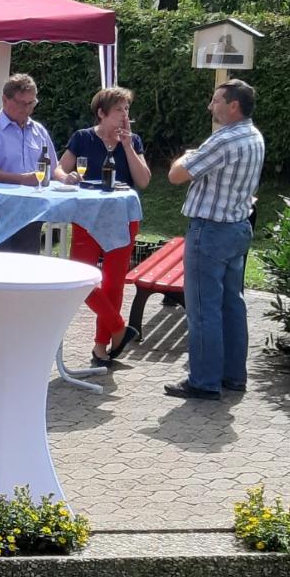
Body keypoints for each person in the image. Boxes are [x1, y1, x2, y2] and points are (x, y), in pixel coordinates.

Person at [165, 79, 267, 401]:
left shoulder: (223, 139)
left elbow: (176, 175)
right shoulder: (254, 135)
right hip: (237, 228)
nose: (211, 106)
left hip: (210, 231)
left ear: (233, 105)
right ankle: (233, 376)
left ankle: (204, 381)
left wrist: (185, 156)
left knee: (202, 308)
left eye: (216, 100)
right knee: (231, 305)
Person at [58, 86, 151, 367]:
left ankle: (101, 349)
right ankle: (118, 327)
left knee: (113, 281)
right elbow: (60, 169)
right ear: (102, 113)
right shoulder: (83, 138)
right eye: (119, 110)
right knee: (80, 276)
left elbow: (144, 180)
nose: (125, 116)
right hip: (87, 217)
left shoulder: (132, 141)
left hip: (122, 218)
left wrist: (126, 146)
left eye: (127, 110)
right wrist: (66, 178)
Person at [0, 73, 72, 252]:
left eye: (31, 103)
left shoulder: (38, 131)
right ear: (5, 100)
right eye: (21, 103)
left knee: (26, 270)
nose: (26, 109)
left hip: (30, 211)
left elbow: (53, 168)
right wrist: (23, 179)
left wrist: (66, 178)